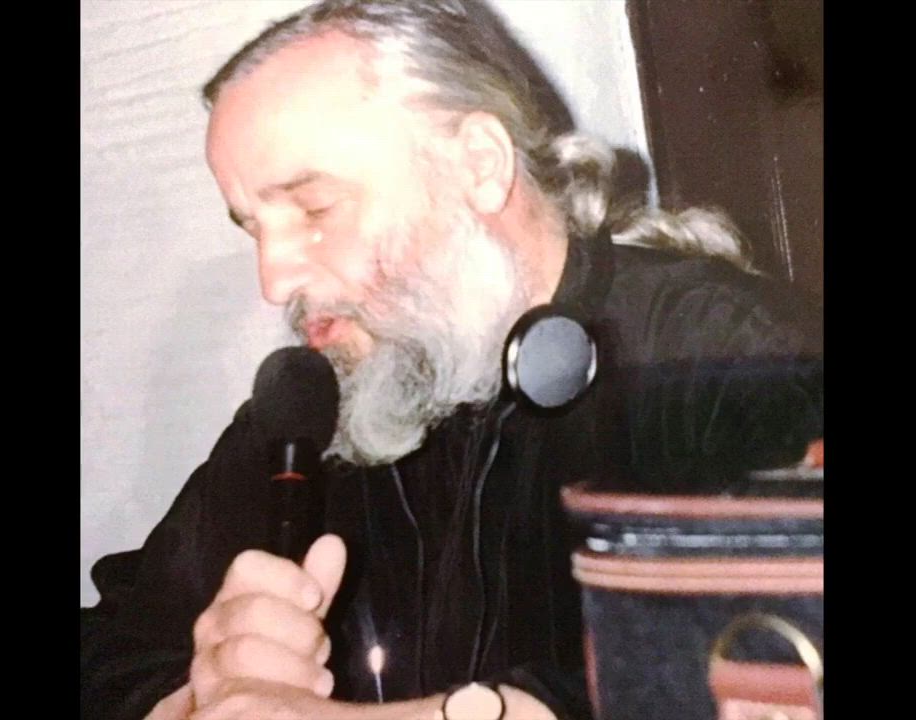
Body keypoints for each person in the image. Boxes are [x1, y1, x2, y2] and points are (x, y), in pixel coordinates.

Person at [80, 1, 823, 719]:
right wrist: (196, 695)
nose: (273, 281)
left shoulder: (726, 353)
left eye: (315, 209)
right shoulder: (313, 402)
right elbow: (108, 648)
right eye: (254, 227)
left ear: (479, 165)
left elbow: (778, 665)